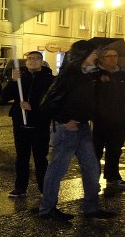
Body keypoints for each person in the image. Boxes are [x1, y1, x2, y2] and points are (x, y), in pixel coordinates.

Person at [38, 40, 116, 222]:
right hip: (67, 130)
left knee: (91, 168)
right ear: (83, 55)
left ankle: (91, 207)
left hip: (83, 128)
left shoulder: (85, 74)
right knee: (57, 170)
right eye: (93, 53)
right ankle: (47, 208)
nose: (96, 56)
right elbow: (47, 104)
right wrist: (66, 120)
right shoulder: (68, 76)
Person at [1, 51, 54, 198]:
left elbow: (52, 103)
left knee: (40, 157)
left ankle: (44, 187)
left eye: (37, 58)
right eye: (30, 58)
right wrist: (13, 81)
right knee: (21, 157)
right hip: (20, 123)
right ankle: (20, 187)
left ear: (42, 61)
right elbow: (3, 98)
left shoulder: (49, 79)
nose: (33, 61)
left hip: (39, 124)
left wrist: (34, 108)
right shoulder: (20, 78)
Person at [91, 47, 125, 190]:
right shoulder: (94, 75)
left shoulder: (124, 75)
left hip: (120, 120)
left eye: (115, 56)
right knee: (95, 150)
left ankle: (113, 176)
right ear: (101, 59)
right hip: (100, 120)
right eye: (109, 56)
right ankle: (92, 178)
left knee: (115, 149)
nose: (113, 59)